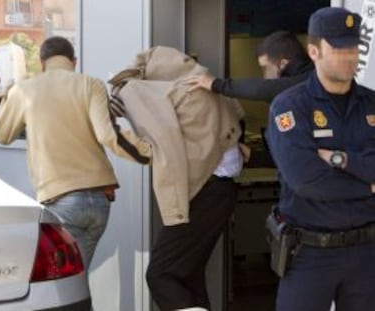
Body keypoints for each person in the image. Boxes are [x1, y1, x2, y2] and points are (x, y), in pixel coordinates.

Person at [0, 36, 152, 305]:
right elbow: (108, 135)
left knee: (65, 290)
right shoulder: (90, 84)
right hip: (100, 201)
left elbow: (2, 135)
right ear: (73, 61)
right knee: (74, 282)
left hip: (61, 202)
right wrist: (148, 153)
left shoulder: (25, 89)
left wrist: (4, 97)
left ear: (42, 62)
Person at [109, 46, 244, 311]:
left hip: (203, 191)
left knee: (161, 274)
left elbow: (159, 147)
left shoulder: (145, 92)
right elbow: (237, 121)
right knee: (190, 276)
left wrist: (115, 127)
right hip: (224, 189)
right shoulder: (206, 85)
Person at [266, 7, 375, 311]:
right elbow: (307, 180)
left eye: (353, 47)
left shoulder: (371, 104)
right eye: (339, 48)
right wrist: (368, 187)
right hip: (310, 254)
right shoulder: (290, 107)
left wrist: (341, 160)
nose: (349, 56)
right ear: (314, 51)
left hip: (367, 253)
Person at [185, 30, 314, 101]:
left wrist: (216, 84)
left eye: (265, 68)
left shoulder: (309, 81)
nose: (264, 75)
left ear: (283, 64)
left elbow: (263, 89)